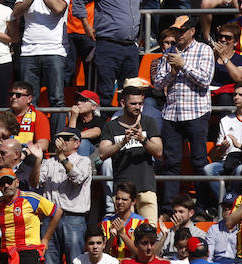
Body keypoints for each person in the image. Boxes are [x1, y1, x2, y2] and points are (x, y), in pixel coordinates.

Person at [152, 17, 216, 207]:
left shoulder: (204, 50)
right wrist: (172, 73)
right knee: (171, 163)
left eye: (182, 31)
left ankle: (203, 206)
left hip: (196, 113)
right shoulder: (169, 52)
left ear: (192, 31)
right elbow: (157, 84)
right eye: (176, 31)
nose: (177, 35)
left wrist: (183, 65)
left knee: (199, 161)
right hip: (172, 114)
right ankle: (169, 207)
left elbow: (205, 80)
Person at [71, 0, 143, 106]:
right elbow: (78, 0)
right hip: (108, 45)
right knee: (105, 91)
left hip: (130, 47)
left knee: (131, 92)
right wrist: (86, 25)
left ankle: (125, 127)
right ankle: (102, 127)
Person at [12, 0, 69, 122]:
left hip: (54, 51)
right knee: (28, 102)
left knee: (57, 99)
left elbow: (58, 8)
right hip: (29, 51)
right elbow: (15, 12)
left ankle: (58, 141)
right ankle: (32, 139)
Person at [98, 86, 162, 221]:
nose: (137, 107)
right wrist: (122, 142)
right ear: (122, 103)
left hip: (146, 186)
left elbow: (159, 151)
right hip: (123, 190)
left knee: (150, 234)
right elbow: (103, 153)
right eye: (133, 103)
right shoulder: (111, 126)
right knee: (124, 236)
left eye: (140, 103)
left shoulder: (149, 122)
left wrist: (143, 139)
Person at [29, 129, 93, 264]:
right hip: (49, 218)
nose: (61, 141)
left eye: (65, 139)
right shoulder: (49, 162)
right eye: (59, 138)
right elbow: (34, 183)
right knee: (49, 260)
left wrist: (62, 157)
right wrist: (38, 161)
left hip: (73, 218)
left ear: (77, 143)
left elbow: (78, 178)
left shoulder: (84, 161)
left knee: (75, 260)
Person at [100, 182, 147, 260]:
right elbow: (102, 256)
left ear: (133, 201)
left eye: (124, 199)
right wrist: (111, 239)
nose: (119, 202)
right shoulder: (105, 223)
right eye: (118, 198)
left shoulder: (141, 223)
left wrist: (122, 234)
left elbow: (142, 255)